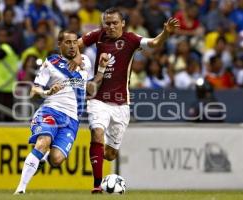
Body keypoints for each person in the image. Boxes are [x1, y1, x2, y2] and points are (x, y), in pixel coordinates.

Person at [76, 7, 179, 193]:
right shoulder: (98, 35)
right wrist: (75, 60)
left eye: (115, 23)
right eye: (107, 23)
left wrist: (165, 33)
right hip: (98, 99)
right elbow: (77, 44)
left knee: (110, 154)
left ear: (123, 23)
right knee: (97, 133)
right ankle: (97, 185)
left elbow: (154, 43)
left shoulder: (131, 39)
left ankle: (103, 164)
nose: (111, 26)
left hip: (122, 104)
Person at [14, 30, 109, 194]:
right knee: (43, 141)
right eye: (68, 42)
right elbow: (34, 89)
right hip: (51, 111)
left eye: (74, 42)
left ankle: (42, 158)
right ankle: (20, 189)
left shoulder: (85, 61)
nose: (72, 46)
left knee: (57, 159)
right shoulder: (51, 62)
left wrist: (101, 68)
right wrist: (48, 92)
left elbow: (92, 85)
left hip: (72, 119)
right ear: (59, 45)